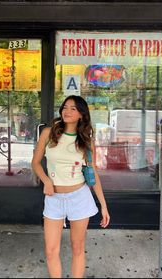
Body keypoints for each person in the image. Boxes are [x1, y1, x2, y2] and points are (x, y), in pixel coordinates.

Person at [31, 95, 110, 278]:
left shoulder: (86, 141)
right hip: (53, 199)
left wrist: (103, 206)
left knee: (77, 248)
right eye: (65, 107)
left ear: (81, 114)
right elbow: (35, 163)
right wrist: (47, 181)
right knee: (51, 250)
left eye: (73, 108)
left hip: (79, 197)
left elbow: (93, 174)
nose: (67, 111)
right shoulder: (48, 133)